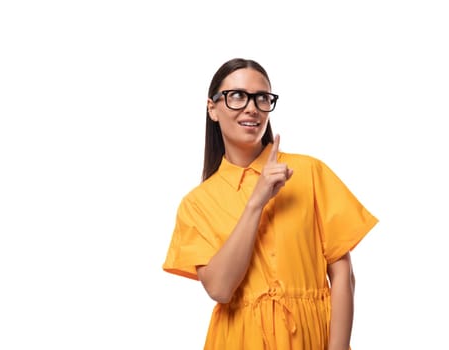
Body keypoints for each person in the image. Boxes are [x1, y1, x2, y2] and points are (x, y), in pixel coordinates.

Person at [162, 58, 378, 350]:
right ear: (212, 109)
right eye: (237, 96)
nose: (251, 107)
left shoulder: (309, 172)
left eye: (261, 98)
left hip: (310, 338)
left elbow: (342, 272)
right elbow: (220, 289)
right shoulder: (196, 205)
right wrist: (256, 202)